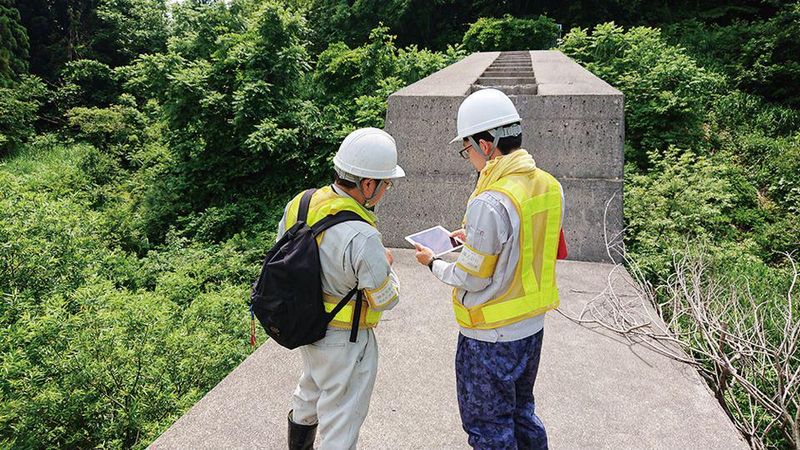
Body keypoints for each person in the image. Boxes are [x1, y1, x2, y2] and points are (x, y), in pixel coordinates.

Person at [414, 88, 567, 450]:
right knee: (522, 411)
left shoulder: (491, 200)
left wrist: (434, 262)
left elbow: (471, 275)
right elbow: (530, 241)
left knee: (489, 428)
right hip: (532, 327)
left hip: (491, 337)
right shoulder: (549, 185)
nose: (467, 156)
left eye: (466, 148)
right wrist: (475, 237)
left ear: (486, 144)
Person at [282, 127, 404, 450]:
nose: (386, 189)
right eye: (385, 183)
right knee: (341, 424)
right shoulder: (363, 237)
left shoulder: (301, 203)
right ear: (367, 184)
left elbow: (286, 252)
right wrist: (387, 266)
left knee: (309, 391)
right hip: (346, 342)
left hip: (307, 326)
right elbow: (385, 297)